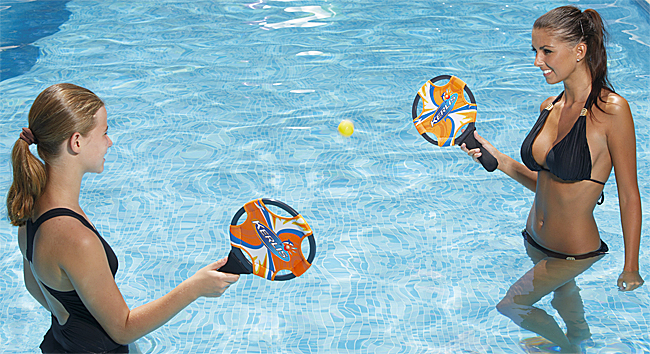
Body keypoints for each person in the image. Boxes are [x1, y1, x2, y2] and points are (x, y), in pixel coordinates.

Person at [460, 5, 643, 353]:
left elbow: (629, 193)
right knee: (563, 297)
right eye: (535, 51)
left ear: (579, 51)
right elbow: (545, 183)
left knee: (513, 304)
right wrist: (498, 159)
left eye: (546, 51)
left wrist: (630, 265)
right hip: (535, 241)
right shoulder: (549, 105)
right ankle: (580, 338)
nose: (537, 61)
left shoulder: (612, 111)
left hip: (573, 251)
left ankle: (571, 352)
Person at [7, 83, 240, 353]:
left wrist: (79, 320)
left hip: (61, 344)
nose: (110, 141)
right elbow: (123, 329)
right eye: (104, 133)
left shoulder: (31, 208)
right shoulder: (75, 238)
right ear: (77, 141)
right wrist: (195, 288)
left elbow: (35, 288)